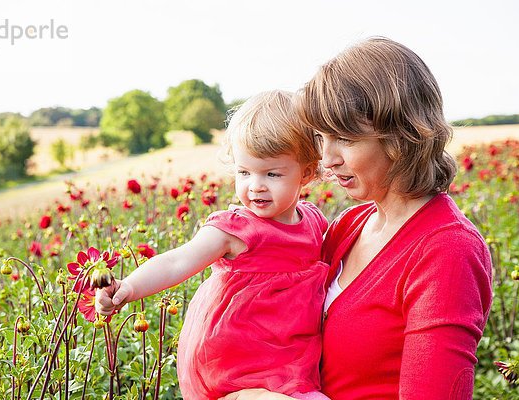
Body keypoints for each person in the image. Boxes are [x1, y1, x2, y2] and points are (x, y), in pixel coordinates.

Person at [220, 37, 493, 400]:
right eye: (321, 136)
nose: (326, 158)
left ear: (401, 135)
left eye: (344, 138)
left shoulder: (447, 251)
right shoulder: (351, 224)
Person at [96, 90, 331, 400]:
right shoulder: (235, 230)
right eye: (244, 172)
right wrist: (129, 286)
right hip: (235, 360)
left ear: (308, 173)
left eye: (272, 173)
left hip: (285, 355)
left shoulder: (315, 223)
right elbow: (178, 261)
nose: (255, 185)